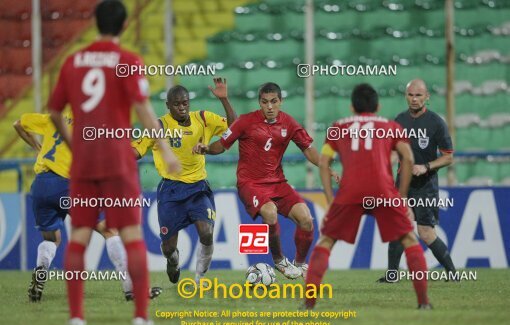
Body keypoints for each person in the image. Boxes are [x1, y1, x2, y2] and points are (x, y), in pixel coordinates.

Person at [47, 0, 180, 325]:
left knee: (78, 236)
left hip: (84, 163)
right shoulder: (128, 61)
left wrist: (74, 146)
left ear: (95, 23)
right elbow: (145, 110)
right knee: (132, 236)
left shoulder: (73, 61)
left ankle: (76, 316)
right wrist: (165, 148)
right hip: (119, 161)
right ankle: (140, 316)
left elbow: (53, 112)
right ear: (123, 26)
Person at [305, 83, 431, 309]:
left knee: (326, 241)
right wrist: (401, 197)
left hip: (350, 192)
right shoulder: (392, 127)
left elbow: (324, 162)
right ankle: (423, 303)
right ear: (378, 106)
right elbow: (409, 158)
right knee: (409, 239)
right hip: (383, 191)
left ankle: (308, 304)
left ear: (352, 106)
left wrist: (330, 200)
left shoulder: (337, 128)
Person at [14, 112, 162, 302]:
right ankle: (131, 289)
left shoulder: (54, 117)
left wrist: (37, 147)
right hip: (69, 184)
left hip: (41, 184)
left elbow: (18, 124)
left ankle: (40, 273)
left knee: (52, 238)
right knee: (110, 231)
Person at [194, 82, 335, 280]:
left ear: (280, 101)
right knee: (269, 212)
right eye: (265, 102)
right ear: (259, 102)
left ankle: (300, 265)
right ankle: (279, 261)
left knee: (306, 219)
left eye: (273, 102)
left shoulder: (289, 123)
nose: (269, 106)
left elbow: (309, 150)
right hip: (250, 183)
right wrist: (206, 148)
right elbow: (222, 145)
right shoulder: (245, 122)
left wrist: (326, 167)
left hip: (278, 183)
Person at [133, 79, 236, 284]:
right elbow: (137, 150)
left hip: (198, 188)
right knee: (168, 247)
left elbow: (235, 127)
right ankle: (173, 260)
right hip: (170, 191)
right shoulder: (159, 126)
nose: (182, 107)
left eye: (185, 103)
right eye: (177, 104)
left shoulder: (204, 118)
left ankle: (199, 277)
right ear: (168, 106)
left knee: (206, 233)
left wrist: (224, 99)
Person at [378, 79, 456, 283]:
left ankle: (453, 274)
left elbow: (448, 156)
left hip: (426, 186)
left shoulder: (436, 122)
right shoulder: (399, 120)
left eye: (418, 95)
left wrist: (426, 166)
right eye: (411, 95)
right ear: (406, 96)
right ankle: (392, 275)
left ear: (427, 97)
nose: (414, 99)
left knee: (426, 232)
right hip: (402, 185)